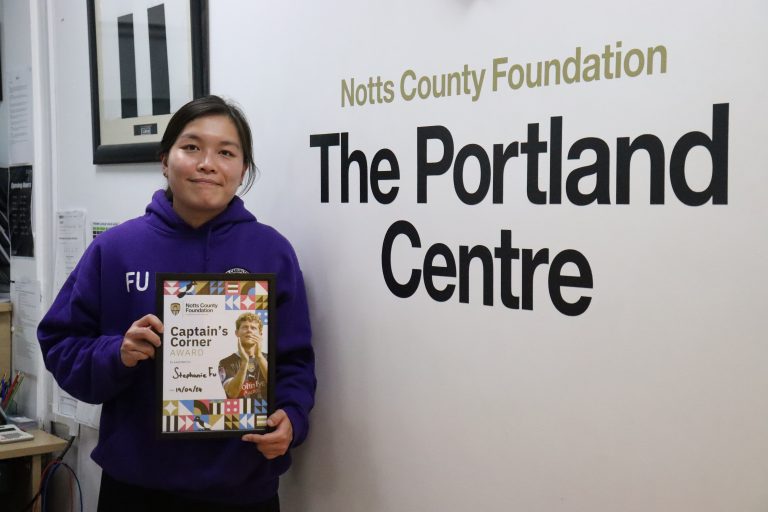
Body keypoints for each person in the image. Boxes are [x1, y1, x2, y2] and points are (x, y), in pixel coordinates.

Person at [37, 95, 315, 512]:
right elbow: (60, 345)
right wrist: (119, 353)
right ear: (165, 161)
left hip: (242, 489)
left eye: (226, 152)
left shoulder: (271, 252)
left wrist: (292, 417)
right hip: (136, 487)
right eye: (191, 148)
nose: (207, 163)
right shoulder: (115, 250)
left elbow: (295, 361)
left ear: (243, 170)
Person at [220, 312, 269, 400]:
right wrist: (245, 362)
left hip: (265, 411)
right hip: (239, 412)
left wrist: (259, 356)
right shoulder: (226, 362)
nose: (249, 330)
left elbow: (278, 386)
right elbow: (232, 394)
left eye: (253, 328)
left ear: (260, 334)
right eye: (245, 327)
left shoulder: (269, 358)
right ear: (237, 333)